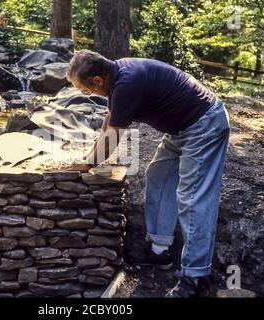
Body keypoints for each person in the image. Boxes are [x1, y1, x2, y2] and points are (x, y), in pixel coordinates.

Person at [66, 49, 230, 298]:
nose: (85, 94)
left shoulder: (127, 82)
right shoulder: (116, 74)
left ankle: (196, 278)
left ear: (98, 80)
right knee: (159, 175)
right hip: (182, 126)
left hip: (204, 123)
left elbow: (112, 138)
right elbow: (109, 121)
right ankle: (159, 249)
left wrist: (88, 165)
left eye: (85, 90)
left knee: (193, 197)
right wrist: (89, 155)